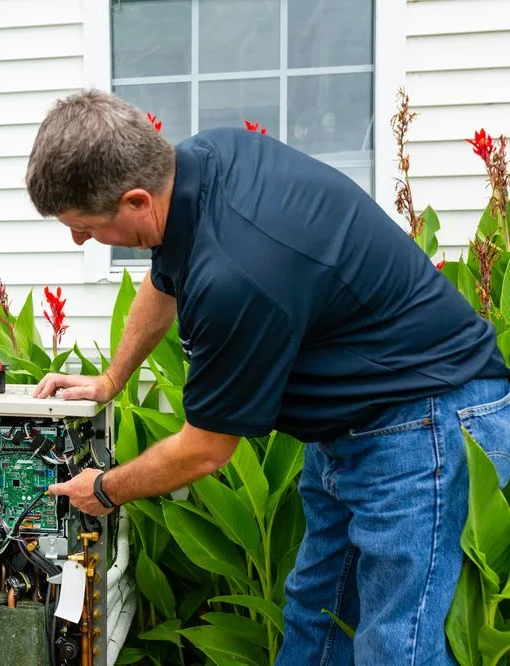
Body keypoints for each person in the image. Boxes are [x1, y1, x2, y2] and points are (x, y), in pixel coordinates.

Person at [27, 89, 510, 665]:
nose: (80, 240)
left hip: (424, 423)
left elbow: (205, 451)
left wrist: (103, 490)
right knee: (316, 615)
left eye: (85, 226)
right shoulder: (203, 162)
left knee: (396, 645)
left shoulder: (234, 272)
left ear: (136, 200)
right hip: (353, 427)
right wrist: (111, 380)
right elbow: (164, 282)